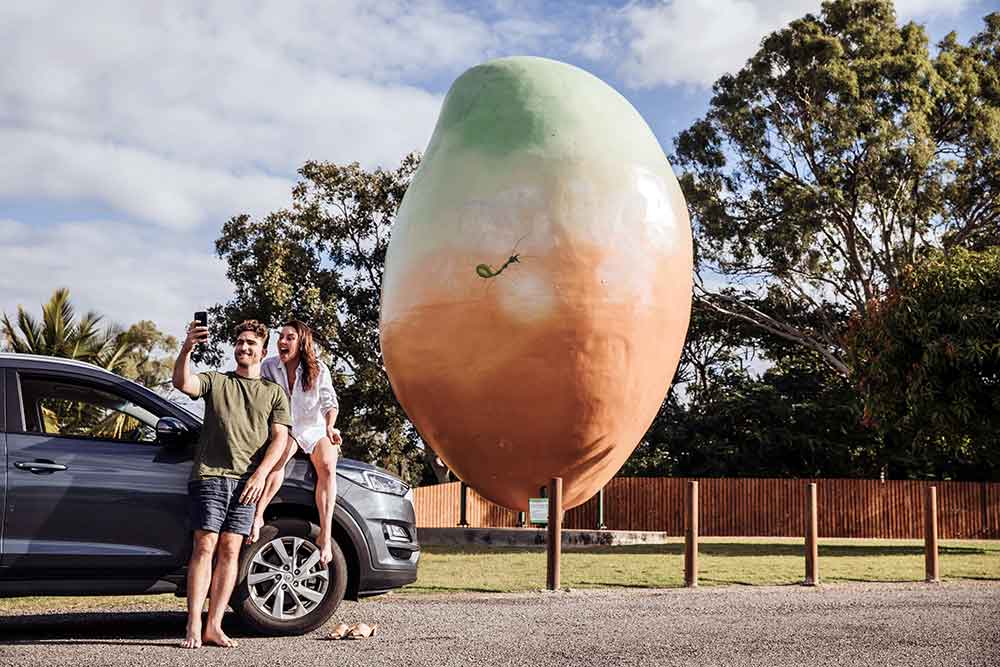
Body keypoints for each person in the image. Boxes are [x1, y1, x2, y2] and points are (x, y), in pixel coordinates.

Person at [172, 319, 292, 649]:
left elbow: (280, 440)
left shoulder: (274, 393)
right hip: (211, 476)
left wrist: (259, 476)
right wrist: (187, 348)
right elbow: (182, 382)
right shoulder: (216, 381)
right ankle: (193, 624)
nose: (243, 347)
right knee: (205, 546)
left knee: (230, 551)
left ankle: (214, 625)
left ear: (262, 351)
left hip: (248, 483)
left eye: (250, 343)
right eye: (239, 342)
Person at [252, 319, 343, 568]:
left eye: (289, 337)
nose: (282, 341)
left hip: (314, 428)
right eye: (281, 337)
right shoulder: (269, 367)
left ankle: (325, 534)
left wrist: (330, 426)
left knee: (326, 464)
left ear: (302, 342)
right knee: (278, 458)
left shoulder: (318, 368)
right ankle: (258, 516)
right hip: (286, 428)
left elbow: (328, 401)